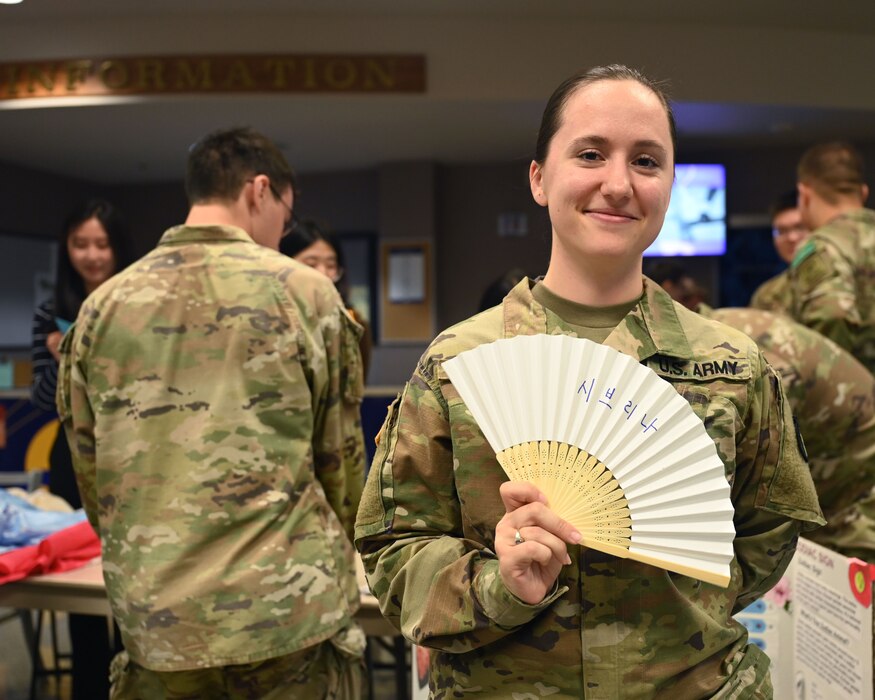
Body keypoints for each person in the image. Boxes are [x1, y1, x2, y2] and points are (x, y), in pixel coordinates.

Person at [355, 65, 823, 698]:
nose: (618, 183)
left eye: (648, 162)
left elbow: (766, 538)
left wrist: (682, 606)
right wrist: (500, 586)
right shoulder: (456, 365)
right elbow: (394, 548)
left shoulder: (735, 366)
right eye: (591, 153)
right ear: (539, 178)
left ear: (669, 188)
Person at [58, 127, 367, 699]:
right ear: (260, 191)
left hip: (159, 619)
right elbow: (341, 464)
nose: (282, 233)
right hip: (285, 612)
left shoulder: (102, 308)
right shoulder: (307, 294)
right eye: (286, 216)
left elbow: (92, 471)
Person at [653, 267, 875, 562]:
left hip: (855, 451)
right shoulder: (715, 327)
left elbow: (766, 457)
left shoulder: (733, 350)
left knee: (837, 558)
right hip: (830, 433)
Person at [30, 198, 133, 700]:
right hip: (71, 459)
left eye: (101, 243)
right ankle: (89, 689)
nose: (91, 255)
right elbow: (40, 397)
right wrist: (55, 354)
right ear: (66, 248)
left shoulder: (135, 300)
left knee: (131, 583)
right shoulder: (51, 312)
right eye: (80, 244)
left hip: (131, 461)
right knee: (78, 584)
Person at [789, 141, 875, 373]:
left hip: (858, 402)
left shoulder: (821, 246)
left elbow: (831, 314)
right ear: (863, 193)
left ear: (804, 194)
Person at [281, 218, 373, 381]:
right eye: (311, 264)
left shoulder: (353, 322)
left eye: (331, 266)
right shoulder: (273, 317)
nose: (322, 274)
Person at [749, 190, 810, 312]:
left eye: (799, 227)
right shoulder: (767, 295)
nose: (791, 238)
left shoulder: (838, 279)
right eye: (781, 231)